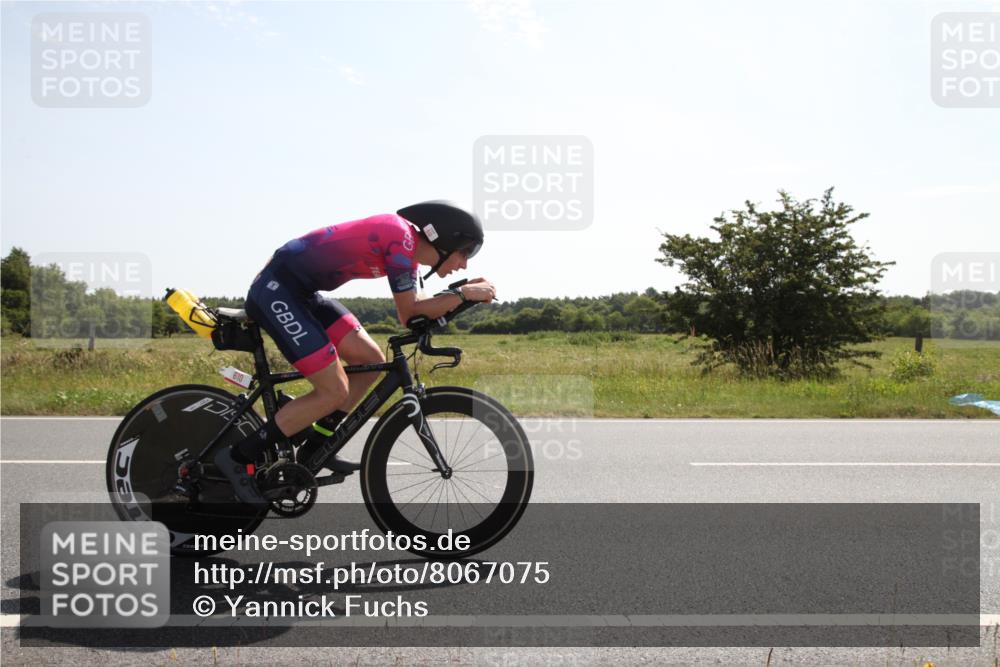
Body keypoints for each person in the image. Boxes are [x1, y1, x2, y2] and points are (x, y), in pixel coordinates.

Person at [214, 201, 495, 508]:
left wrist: (460, 295)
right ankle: (238, 457)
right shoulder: (398, 237)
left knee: (368, 361)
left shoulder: (408, 252)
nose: (464, 264)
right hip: (277, 290)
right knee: (333, 391)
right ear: (445, 239)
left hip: (302, 293)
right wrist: (462, 295)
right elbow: (410, 312)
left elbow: (419, 311)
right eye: (466, 252)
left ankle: (317, 443)